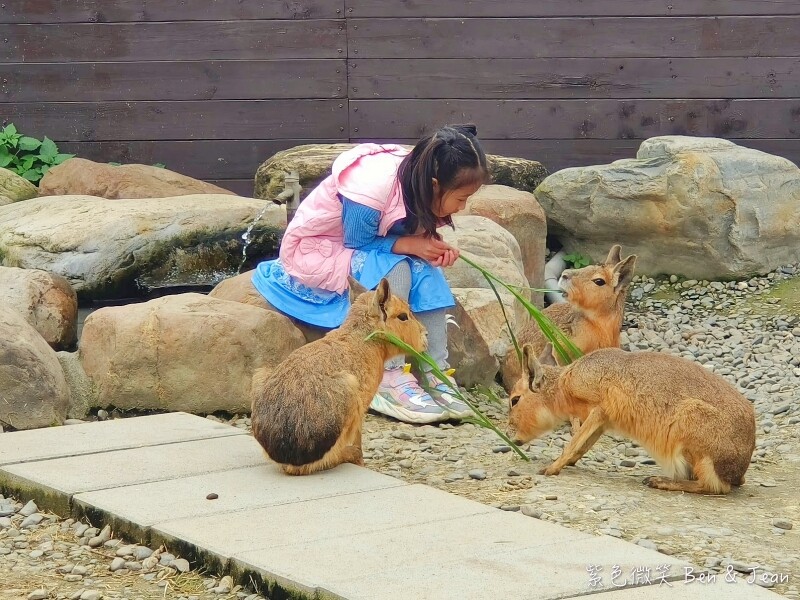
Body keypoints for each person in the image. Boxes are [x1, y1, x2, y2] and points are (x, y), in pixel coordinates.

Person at [251, 124, 490, 424]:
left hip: (370, 247)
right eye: (461, 198)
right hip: (323, 247)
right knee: (397, 270)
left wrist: (429, 246)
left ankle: (435, 371)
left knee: (425, 269)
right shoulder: (371, 186)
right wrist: (410, 244)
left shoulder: (420, 176)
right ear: (434, 184)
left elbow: (402, 230)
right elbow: (358, 241)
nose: (463, 207)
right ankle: (388, 376)